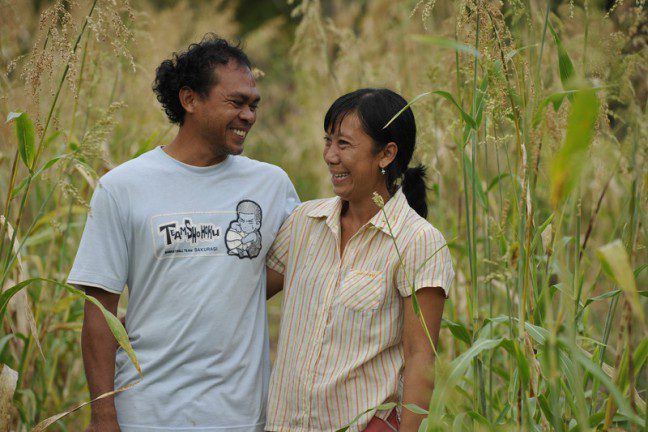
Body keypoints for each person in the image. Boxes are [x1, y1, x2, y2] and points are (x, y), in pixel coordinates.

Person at [68, 34, 299, 432]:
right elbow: (100, 311)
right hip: (147, 411)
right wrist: (103, 414)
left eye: (253, 104)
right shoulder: (124, 187)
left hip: (241, 416)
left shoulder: (271, 185)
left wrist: (232, 290)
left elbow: (302, 261)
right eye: (236, 102)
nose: (249, 115)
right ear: (190, 100)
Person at [265, 88, 454, 431]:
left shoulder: (417, 241)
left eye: (344, 144)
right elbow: (247, 291)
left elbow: (420, 357)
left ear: (386, 154)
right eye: (328, 141)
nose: (330, 156)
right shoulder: (305, 223)